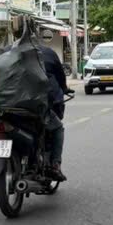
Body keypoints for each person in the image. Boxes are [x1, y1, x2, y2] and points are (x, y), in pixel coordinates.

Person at [38, 28, 69, 181]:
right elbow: (60, 76)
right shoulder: (47, 53)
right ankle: (55, 164)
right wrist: (64, 88)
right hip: (36, 107)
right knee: (57, 129)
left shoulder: (8, 53)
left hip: (7, 108)